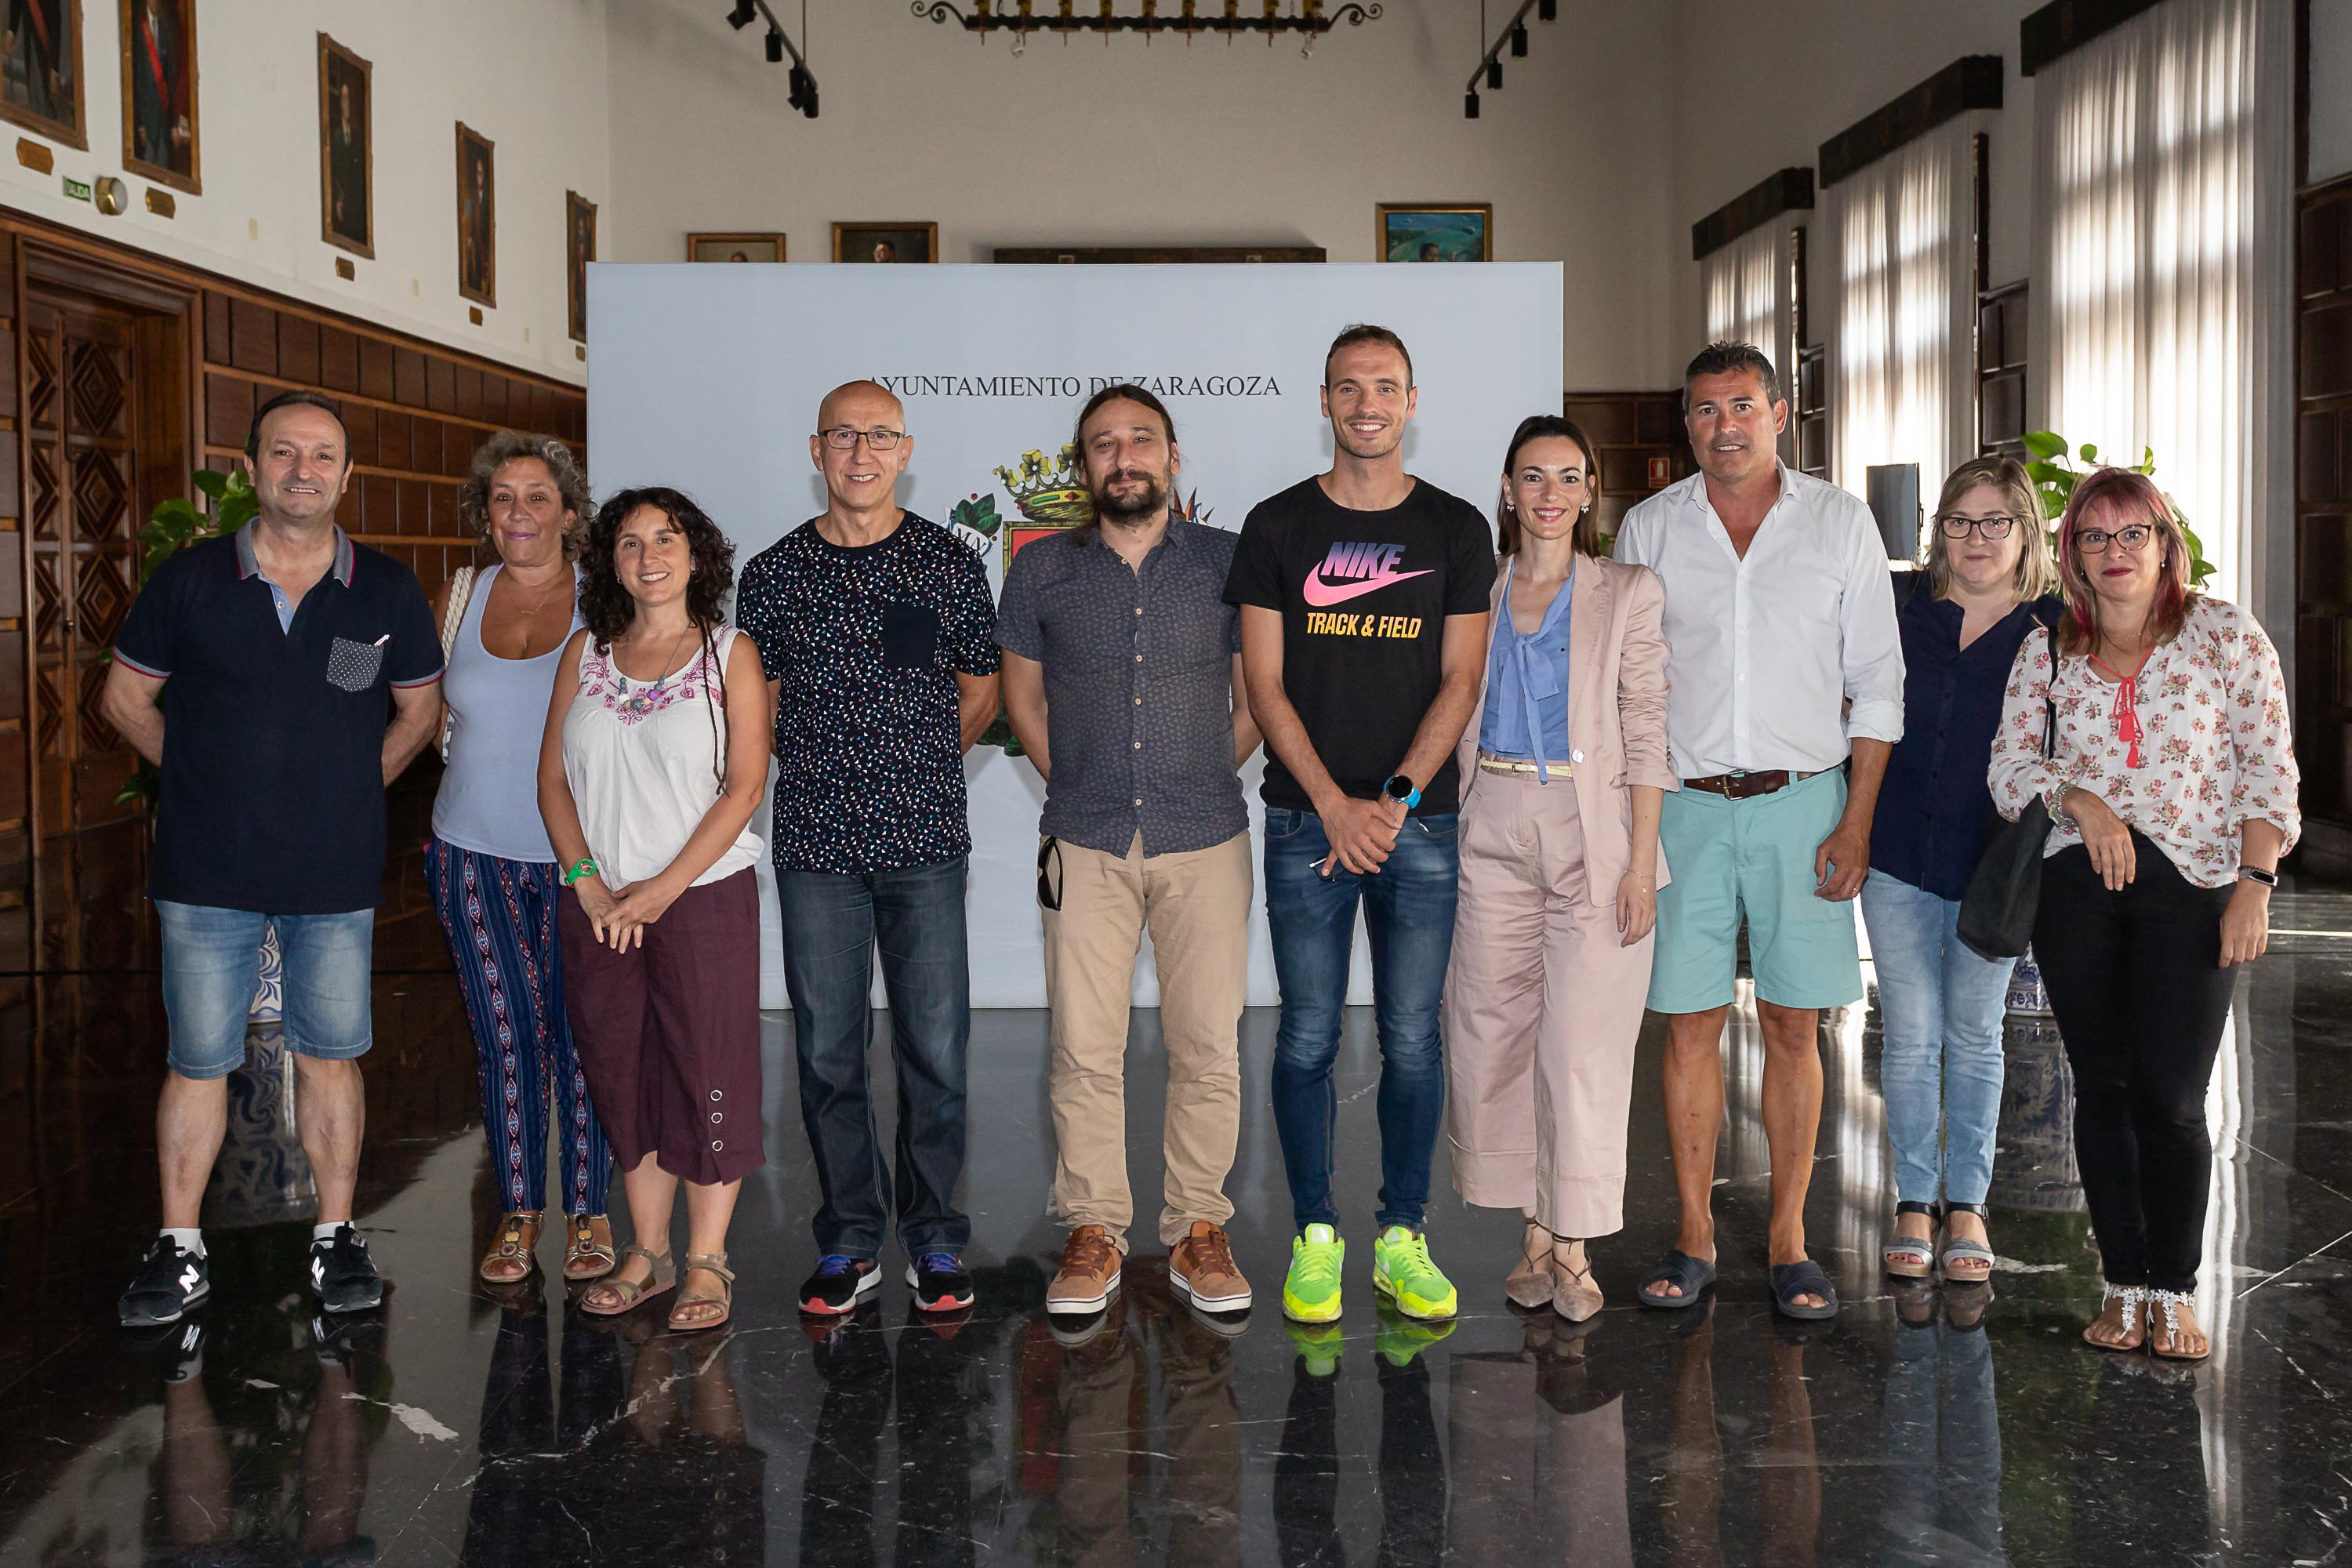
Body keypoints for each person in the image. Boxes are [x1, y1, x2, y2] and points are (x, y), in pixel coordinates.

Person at [107, 390, 445, 1327]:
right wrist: (207, 776)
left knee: (331, 1056)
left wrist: (348, 783)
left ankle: (337, 1235)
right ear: (250, 467)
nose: (304, 469)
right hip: (205, 872)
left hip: (331, 874)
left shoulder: (383, 590)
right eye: (284, 453)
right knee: (199, 1060)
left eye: (323, 455)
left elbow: (418, 711)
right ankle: (179, 1247)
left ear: (348, 476)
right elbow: (125, 700)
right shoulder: (189, 581)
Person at [1613, 341, 1904, 1321]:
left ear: (1781, 413)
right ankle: (1693, 1234)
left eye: (1742, 405)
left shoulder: (1839, 523)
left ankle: (1790, 1239)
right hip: (1684, 807)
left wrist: (1857, 819)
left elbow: (1878, 684)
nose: (1723, 426)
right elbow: (1624, 685)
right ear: (1685, 423)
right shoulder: (1650, 528)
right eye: (1704, 410)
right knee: (1688, 1023)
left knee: (1794, 1021)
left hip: (1806, 805)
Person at [1988, 466, 2297, 1361]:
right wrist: (2081, 798)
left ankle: (2174, 1285)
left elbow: (2268, 767)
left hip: (2198, 888)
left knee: (2170, 1097)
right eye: (2095, 535)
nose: (2115, 552)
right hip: (2078, 890)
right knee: (2106, 1085)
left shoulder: (2223, 636)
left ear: (2166, 544)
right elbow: (2009, 770)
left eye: (2134, 534)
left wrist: (2255, 881)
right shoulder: (2046, 648)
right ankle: (2123, 1284)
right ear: (2072, 552)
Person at [1225, 324, 1495, 1324]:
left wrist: (1395, 800)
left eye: (1385, 386)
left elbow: (1461, 679)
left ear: (1411, 400)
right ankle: (1314, 1236)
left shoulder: (1459, 528)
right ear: (1325, 400)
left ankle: (1402, 1235)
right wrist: (1336, 805)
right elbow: (1264, 679)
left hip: (1418, 828)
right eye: (1349, 386)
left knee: (1414, 1039)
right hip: (1306, 825)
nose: (1367, 402)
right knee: (1303, 1037)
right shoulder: (1276, 525)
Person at [735, 381, 1002, 1317]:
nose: (861, 450)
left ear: (906, 449)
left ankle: (933, 1238)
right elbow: (752, 714)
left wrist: (915, 762)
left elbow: (980, 687)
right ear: (816, 450)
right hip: (814, 847)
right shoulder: (771, 575)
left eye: (879, 435)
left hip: (925, 841)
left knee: (936, 1049)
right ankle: (850, 1238)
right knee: (827, 1053)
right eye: (843, 435)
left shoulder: (945, 563)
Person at [998, 384, 1261, 1319]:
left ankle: (1198, 1227)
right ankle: (1096, 1226)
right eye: (1104, 445)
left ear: (1174, 455)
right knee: (1084, 1045)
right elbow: (1022, 703)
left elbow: (1254, 695)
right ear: (1083, 469)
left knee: (1207, 1046)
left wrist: (1193, 774)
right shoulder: (1040, 573)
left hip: (1206, 837)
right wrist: (1078, 787)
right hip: (1086, 835)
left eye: (1141, 440)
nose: (1125, 457)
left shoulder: (1228, 563)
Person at [1441, 415, 1671, 1323]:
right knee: (1493, 1029)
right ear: (1508, 488)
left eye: (1568, 477)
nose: (1549, 494)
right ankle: (1530, 1231)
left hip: (1596, 827)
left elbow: (1649, 726)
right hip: (1491, 814)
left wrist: (1641, 860)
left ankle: (1572, 1244)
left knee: (1582, 1043)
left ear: (1589, 493)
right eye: (1532, 476)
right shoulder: (1476, 591)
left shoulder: (1628, 590)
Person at [538, 487, 771, 1332]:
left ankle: (707, 1256)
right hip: (599, 905)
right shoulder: (583, 654)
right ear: (611, 563)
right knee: (620, 1069)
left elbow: (745, 786)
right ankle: (649, 1250)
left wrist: (663, 887)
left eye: (665, 538)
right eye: (630, 542)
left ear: (698, 554)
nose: (649, 555)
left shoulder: (728, 653)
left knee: (707, 1066)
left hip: (698, 900)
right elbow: (553, 779)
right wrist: (588, 879)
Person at [1866, 456, 2060, 1287]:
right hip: (1896, 852)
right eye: (1959, 521)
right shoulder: (1900, 610)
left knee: (1976, 1034)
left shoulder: (2058, 625)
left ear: (2026, 532)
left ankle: (1969, 1203)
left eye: (1995, 521)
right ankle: (1916, 1196)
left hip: (1995, 868)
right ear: (1937, 530)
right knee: (1910, 1034)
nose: (1976, 538)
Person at [426, 431, 615, 1286]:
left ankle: (588, 1209)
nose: (520, 512)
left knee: (582, 1037)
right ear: (484, 513)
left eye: (538, 496)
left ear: (570, 512)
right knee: (505, 1037)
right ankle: (517, 1209)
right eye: (503, 497)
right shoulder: (458, 596)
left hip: (583, 861)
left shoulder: (607, 602)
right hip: (470, 853)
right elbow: (402, 700)